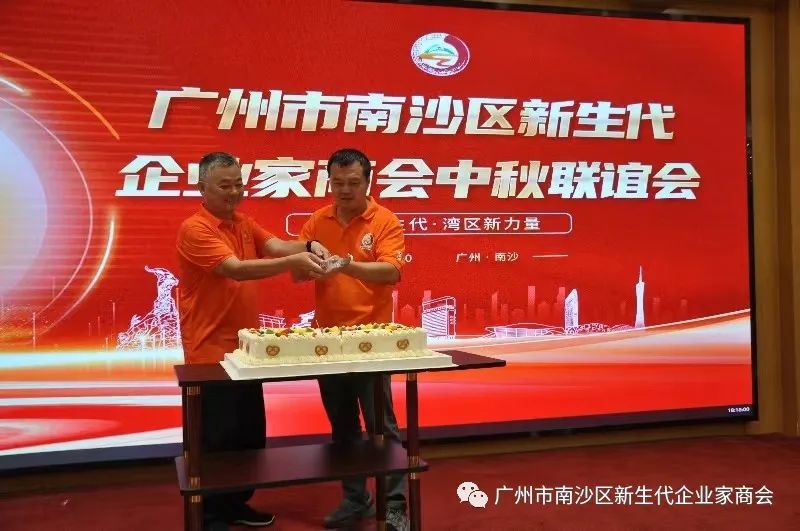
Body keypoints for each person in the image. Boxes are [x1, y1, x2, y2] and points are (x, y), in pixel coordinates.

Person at [176, 151, 329, 531]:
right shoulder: (195, 229)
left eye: (238, 184)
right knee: (215, 437)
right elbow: (236, 270)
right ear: (202, 188)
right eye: (224, 186)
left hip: (246, 350)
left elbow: (275, 246)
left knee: (247, 434)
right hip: (209, 352)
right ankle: (209, 512)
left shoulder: (242, 223)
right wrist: (293, 264)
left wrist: (308, 246)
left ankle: (235, 504)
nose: (234, 192)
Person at [298, 148, 409, 531]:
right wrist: (309, 263)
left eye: (353, 183)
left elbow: (391, 272)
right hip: (328, 341)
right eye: (337, 183)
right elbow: (298, 275)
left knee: (382, 427)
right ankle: (355, 498)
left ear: (368, 182)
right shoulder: (318, 220)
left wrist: (346, 265)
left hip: (372, 340)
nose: (344, 190)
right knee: (343, 426)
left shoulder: (385, 220)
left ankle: (395, 505)